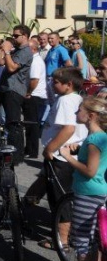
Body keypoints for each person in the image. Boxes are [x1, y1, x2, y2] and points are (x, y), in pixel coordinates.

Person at [56, 95, 107, 261]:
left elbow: (89, 170)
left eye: (80, 110)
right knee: (95, 242)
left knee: (82, 242)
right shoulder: (101, 137)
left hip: (87, 192)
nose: (77, 113)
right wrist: (80, 150)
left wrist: (68, 157)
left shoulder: (94, 140)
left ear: (91, 115)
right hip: (99, 192)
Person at [24, 67, 88, 214]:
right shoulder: (75, 98)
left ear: (69, 84)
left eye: (56, 82)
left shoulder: (65, 100)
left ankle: (61, 234)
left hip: (60, 155)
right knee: (43, 181)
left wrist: (49, 149)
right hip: (63, 154)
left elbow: (68, 129)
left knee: (59, 196)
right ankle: (22, 210)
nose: (52, 84)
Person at [0, 25, 33, 164]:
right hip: (6, 88)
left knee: (14, 123)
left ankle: (16, 156)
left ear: (25, 36)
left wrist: (6, 51)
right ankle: (9, 152)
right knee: (7, 123)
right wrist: (0, 50)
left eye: (16, 36)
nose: (14, 38)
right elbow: (0, 63)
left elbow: (11, 67)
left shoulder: (25, 52)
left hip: (15, 90)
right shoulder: (17, 50)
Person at [24, 36, 48, 158]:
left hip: (34, 95)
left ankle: (32, 151)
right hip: (34, 94)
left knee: (32, 123)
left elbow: (34, 80)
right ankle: (28, 148)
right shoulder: (33, 59)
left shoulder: (35, 61)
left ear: (32, 49)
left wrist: (28, 92)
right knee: (29, 123)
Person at [45, 33, 72, 102]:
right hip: (48, 78)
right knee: (50, 101)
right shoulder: (51, 50)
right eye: (49, 38)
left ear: (58, 39)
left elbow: (68, 64)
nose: (50, 40)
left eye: (52, 38)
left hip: (55, 78)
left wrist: (62, 77)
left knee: (55, 100)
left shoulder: (61, 49)